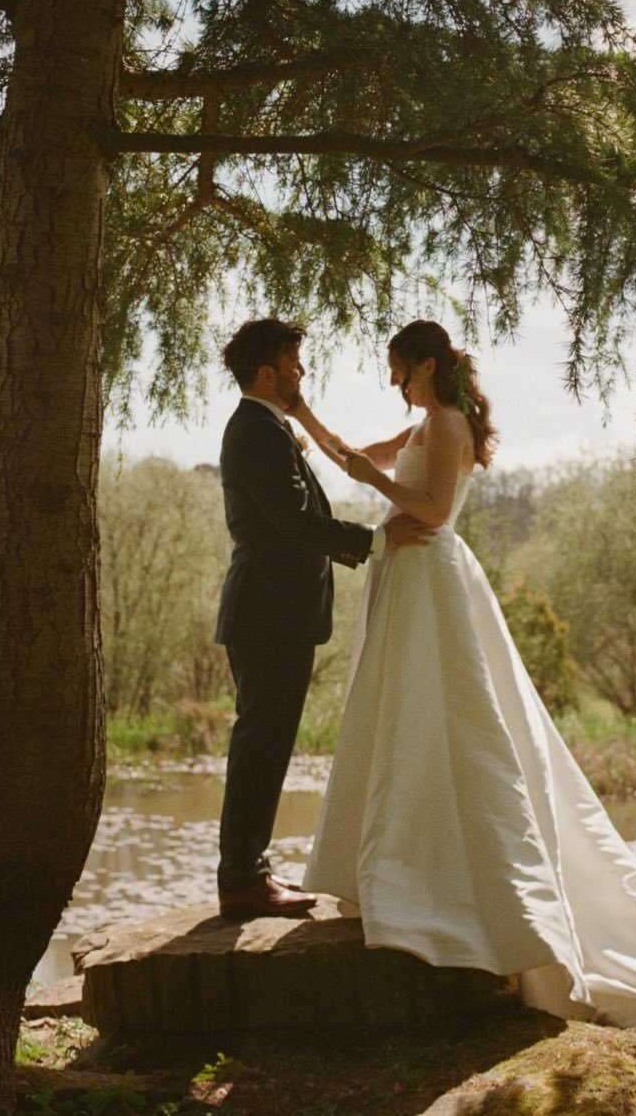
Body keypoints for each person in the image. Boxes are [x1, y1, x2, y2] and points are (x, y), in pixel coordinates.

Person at [293, 320, 636, 1045]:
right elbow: (352, 457)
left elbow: (432, 511)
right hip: (404, 580)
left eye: (402, 372)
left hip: (432, 578)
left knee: (450, 722)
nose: (397, 385)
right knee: (393, 716)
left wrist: (375, 482)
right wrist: (303, 415)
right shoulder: (425, 419)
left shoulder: (450, 422)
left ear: (427, 364)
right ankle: (387, 867)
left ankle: (470, 887)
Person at [213, 318, 432, 920]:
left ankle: (248, 872)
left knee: (267, 741)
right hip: (268, 613)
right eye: (293, 363)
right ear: (266, 373)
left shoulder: (268, 428)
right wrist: (378, 540)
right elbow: (295, 523)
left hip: (275, 612)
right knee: (261, 741)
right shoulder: (256, 432)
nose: (301, 372)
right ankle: (242, 879)